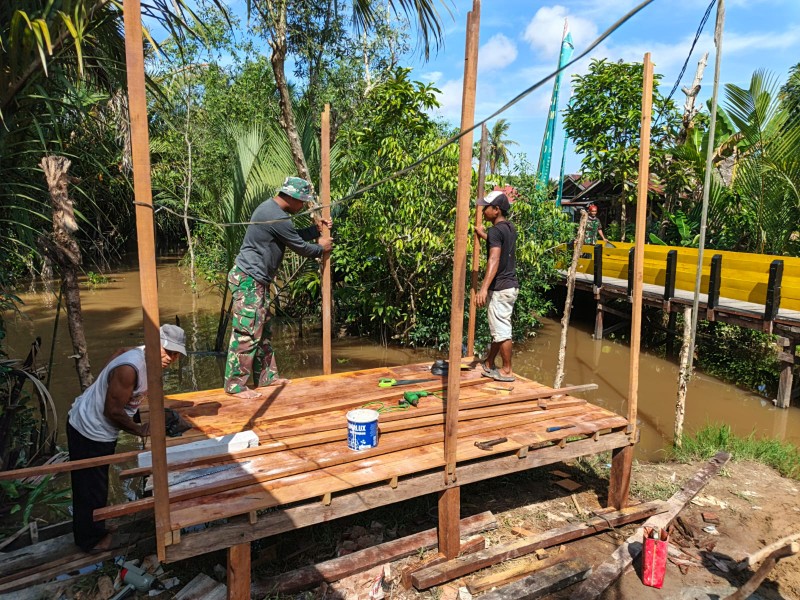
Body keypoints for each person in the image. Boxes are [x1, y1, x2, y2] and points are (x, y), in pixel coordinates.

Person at [67, 324, 186, 553]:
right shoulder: (129, 369)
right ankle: (90, 540)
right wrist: (139, 429)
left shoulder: (138, 353)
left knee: (96, 484)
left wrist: (103, 384)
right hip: (89, 430)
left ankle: (95, 527)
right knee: (90, 487)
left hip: (98, 425)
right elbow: (112, 411)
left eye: (175, 354)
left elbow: (120, 351)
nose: (170, 358)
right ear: (154, 344)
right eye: (167, 351)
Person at [225, 176, 333, 400]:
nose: (302, 206)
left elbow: (290, 237)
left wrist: (315, 231)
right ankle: (235, 385)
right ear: (292, 197)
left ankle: (266, 377)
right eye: (302, 202)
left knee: (262, 330)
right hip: (248, 280)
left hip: (256, 280)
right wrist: (321, 248)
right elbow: (300, 247)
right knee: (247, 332)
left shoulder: (273, 211)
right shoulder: (275, 215)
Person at [475, 190, 519, 383]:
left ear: (496, 210)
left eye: (487, 207)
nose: (484, 210)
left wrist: (483, 288)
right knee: (498, 328)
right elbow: (499, 245)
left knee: (501, 330)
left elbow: (494, 258)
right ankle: (489, 362)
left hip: (500, 288)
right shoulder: (509, 228)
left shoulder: (495, 230)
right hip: (510, 286)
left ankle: (507, 370)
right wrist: (483, 235)